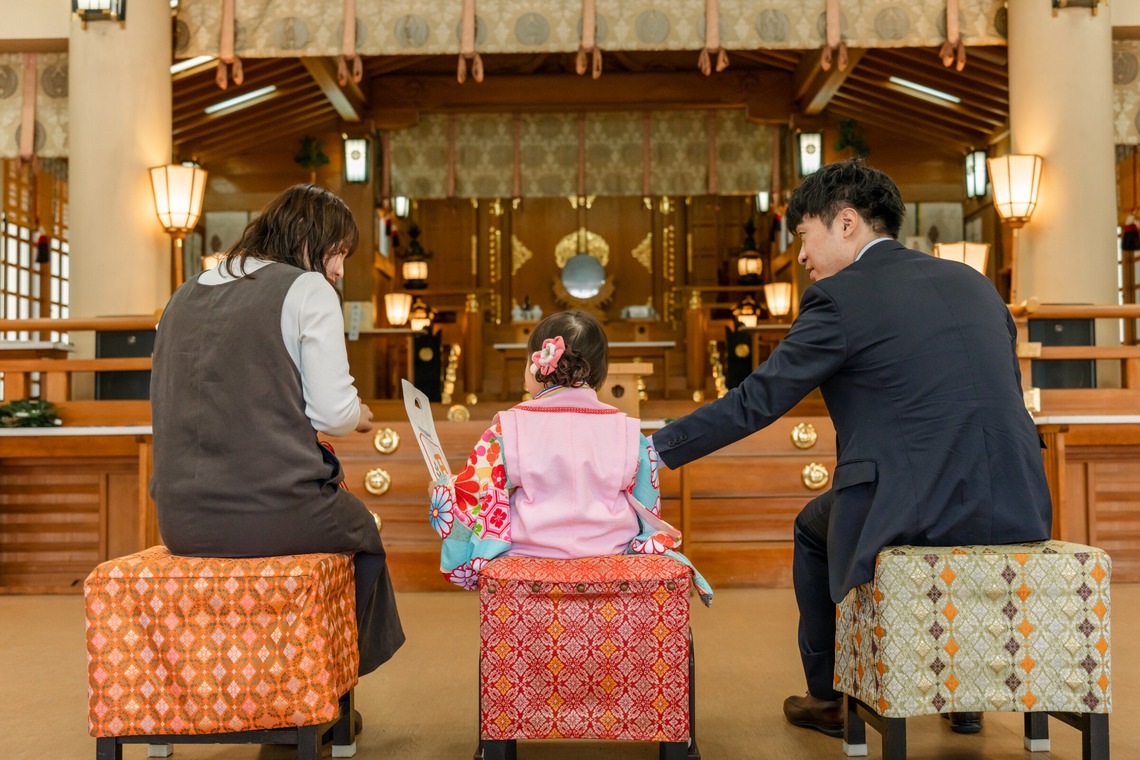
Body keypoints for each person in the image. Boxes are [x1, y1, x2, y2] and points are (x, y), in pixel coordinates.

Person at [651, 159, 1051, 736]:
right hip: (1020, 501)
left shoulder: (838, 298)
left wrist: (658, 449)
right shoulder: (973, 282)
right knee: (931, 507)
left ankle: (829, 696)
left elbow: (756, 401)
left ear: (845, 223)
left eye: (803, 236)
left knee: (812, 525)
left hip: (912, 508)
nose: (803, 256)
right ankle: (960, 689)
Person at [150, 183, 405, 677]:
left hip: (181, 521)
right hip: (274, 511)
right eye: (338, 253)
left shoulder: (180, 296)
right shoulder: (307, 289)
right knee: (364, 533)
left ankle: (252, 682)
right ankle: (322, 686)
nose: (339, 270)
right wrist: (360, 415)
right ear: (307, 239)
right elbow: (333, 414)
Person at [428, 310, 712, 604]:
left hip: (529, 557)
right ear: (600, 374)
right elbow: (647, 511)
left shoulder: (508, 427)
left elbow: (472, 493)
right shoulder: (628, 431)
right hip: (610, 555)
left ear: (537, 365)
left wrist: (442, 490)